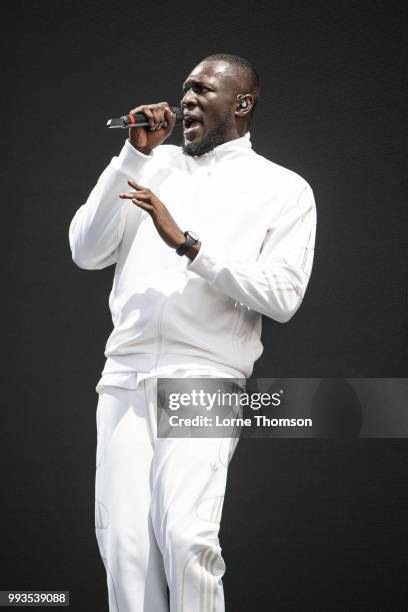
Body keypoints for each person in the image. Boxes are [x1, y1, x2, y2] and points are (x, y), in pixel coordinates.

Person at [68, 53, 317, 612]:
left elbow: (282, 296)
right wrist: (132, 152)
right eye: (183, 90)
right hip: (125, 378)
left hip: (203, 377)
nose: (185, 100)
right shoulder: (147, 166)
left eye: (203, 90)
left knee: (187, 539)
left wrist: (188, 245)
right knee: (125, 549)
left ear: (243, 104)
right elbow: (85, 251)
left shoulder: (282, 188)